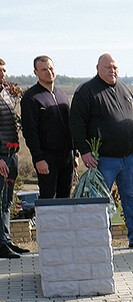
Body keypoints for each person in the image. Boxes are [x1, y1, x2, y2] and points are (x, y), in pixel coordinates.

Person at [69, 54, 133, 250]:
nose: (112, 71)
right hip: (104, 159)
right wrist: (84, 151)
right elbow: (77, 123)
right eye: (108, 67)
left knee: (131, 197)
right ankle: (101, 239)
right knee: (101, 201)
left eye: (115, 67)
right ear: (98, 67)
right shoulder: (87, 91)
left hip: (130, 157)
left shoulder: (124, 89)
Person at [20, 56, 75, 200]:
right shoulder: (31, 98)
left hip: (67, 157)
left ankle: (64, 224)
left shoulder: (61, 94)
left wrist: (75, 154)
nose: (48, 72)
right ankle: (48, 224)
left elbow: (70, 126)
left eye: (51, 68)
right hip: (47, 158)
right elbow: (30, 132)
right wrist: (39, 159)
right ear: (35, 72)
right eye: (44, 69)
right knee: (48, 199)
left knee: (65, 198)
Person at [0, 58, 27, 259]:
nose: (3, 74)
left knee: (7, 201)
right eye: (0, 71)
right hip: (0, 157)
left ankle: (6, 240)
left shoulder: (5, 94)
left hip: (11, 155)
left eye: (4, 70)